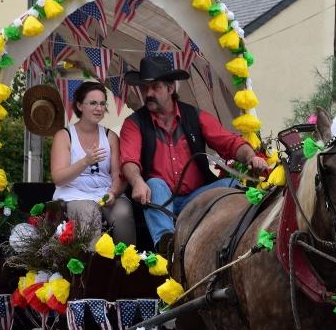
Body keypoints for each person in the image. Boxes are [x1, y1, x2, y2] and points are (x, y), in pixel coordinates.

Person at [119, 56, 268, 252]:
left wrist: (251, 157)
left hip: (197, 197)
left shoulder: (196, 116)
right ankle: (167, 246)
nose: (148, 94)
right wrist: (137, 181)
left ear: (170, 89)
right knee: (154, 184)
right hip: (160, 202)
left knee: (234, 185)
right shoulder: (134, 123)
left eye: (155, 87)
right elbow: (129, 161)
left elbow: (230, 143)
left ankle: (247, 240)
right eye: (144, 88)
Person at [49, 82, 135, 244]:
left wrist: (113, 192)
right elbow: (58, 178)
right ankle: (92, 265)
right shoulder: (64, 135)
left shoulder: (110, 136)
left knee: (123, 212)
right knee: (88, 213)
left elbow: (118, 174)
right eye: (93, 103)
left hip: (104, 192)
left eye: (102, 104)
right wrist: (85, 162)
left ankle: (127, 264)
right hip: (75, 194)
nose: (99, 108)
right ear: (80, 105)